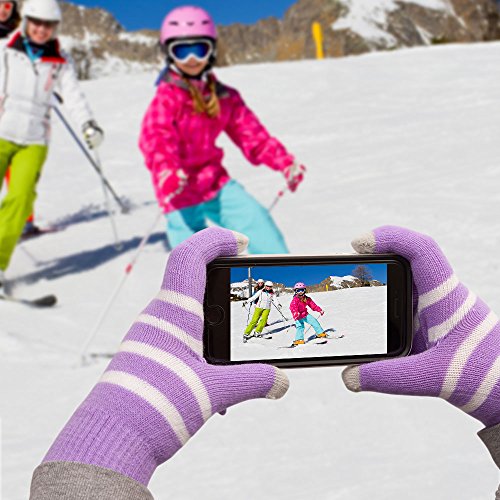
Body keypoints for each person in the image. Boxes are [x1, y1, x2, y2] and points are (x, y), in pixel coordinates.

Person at [29, 226, 500, 499]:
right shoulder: (286, 297)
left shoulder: (300, 298)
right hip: (276, 311)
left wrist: (115, 437)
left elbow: (306, 306)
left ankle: (300, 336)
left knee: (307, 327)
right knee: (297, 327)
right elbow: (296, 306)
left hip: (300, 318)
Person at [139, 5, 306, 253]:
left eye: (199, 49)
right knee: (193, 253)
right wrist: (166, 171)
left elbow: (253, 136)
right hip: (178, 188)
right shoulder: (167, 99)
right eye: (182, 51)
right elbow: (156, 138)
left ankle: (278, 272)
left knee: (257, 222)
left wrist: (284, 162)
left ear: (212, 51)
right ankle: (198, 279)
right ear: (168, 54)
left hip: (214, 181)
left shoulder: (224, 96)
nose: (192, 59)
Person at [0, 0, 104, 294]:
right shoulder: (6, 49)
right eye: (36, 22)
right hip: (1, 132)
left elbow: (73, 95)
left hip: (34, 141)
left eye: (48, 25)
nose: (41, 29)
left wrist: (87, 124)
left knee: (20, 199)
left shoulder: (60, 59)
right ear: (26, 21)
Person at [289, 282, 327, 346]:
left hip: (305, 314)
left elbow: (313, 306)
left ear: (304, 290)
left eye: (302, 290)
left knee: (314, 321)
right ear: (295, 291)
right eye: (298, 290)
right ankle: (299, 340)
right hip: (298, 316)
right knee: (300, 327)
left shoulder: (307, 299)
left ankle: (320, 333)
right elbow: (292, 307)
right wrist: (295, 312)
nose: (300, 292)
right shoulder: (295, 300)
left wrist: (319, 310)